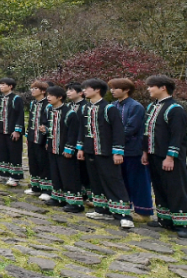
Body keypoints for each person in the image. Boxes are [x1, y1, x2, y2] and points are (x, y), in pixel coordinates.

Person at [142, 74, 187, 237]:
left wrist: (170, 157)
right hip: (153, 154)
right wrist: (145, 151)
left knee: (176, 188)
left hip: (169, 156)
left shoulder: (175, 109)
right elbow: (146, 132)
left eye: (151, 86)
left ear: (162, 87)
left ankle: (186, 225)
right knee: (159, 187)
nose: (148, 89)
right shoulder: (152, 107)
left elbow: (177, 136)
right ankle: (165, 219)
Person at [79, 78, 134, 229]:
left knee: (113, 181)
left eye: (87, 88)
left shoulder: (109, 108)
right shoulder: (86, 108)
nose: (84, 91)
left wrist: (117, 152)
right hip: (91, 151)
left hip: (107, 152)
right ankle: (101, 209)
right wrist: (81, 148)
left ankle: (124, 215)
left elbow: (118, 131)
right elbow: (82, 130)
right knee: (95, 181)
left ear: (97, 90)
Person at [110, 78, 152, 221]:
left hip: (133, 149)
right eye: (111, 88)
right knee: (120, 180)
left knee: (137, 181)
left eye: (115, 88)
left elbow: (131, 128)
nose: (112, 91)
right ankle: (123, 207)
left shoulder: (136, 107)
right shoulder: (113, 105)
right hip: (116, 148)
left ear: (126, 89)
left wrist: (114, 138)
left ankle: (143, 212)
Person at [46, 85, 85, 212]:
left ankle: (75, 203)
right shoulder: (51, 111)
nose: (48, 98)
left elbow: (73, 133)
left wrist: (69, 148)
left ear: (59, 97)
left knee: (69, 175)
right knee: (55, 173)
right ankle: (58, 197)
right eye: (47, 95)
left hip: (65, 150)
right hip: (53, 148)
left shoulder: (69, 113)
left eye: (51, 95)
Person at [0, 78, 25, 186]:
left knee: (14, 153)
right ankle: (2, 174)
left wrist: (17, 130)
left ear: (10, 86)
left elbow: (20, 115)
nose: (1, 86)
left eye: (3, 84)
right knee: (1, 152)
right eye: (0, 84)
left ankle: (14, 177)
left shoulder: (16, 99)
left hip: (12, 131)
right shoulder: (0, 99)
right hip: (2, 130)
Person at [25, 81, 51, 198]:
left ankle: (47, 190)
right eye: (32, 88)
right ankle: (35, 186)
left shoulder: (48, 104)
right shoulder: (33, 104)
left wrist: (45, 130)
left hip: (43, 138)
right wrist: (27, 135)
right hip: (32, 137)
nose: (33, 90)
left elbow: (50, 122)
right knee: (33, 161)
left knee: (43, 163)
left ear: (43, 91)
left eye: (36, 88)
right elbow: (30, 119)